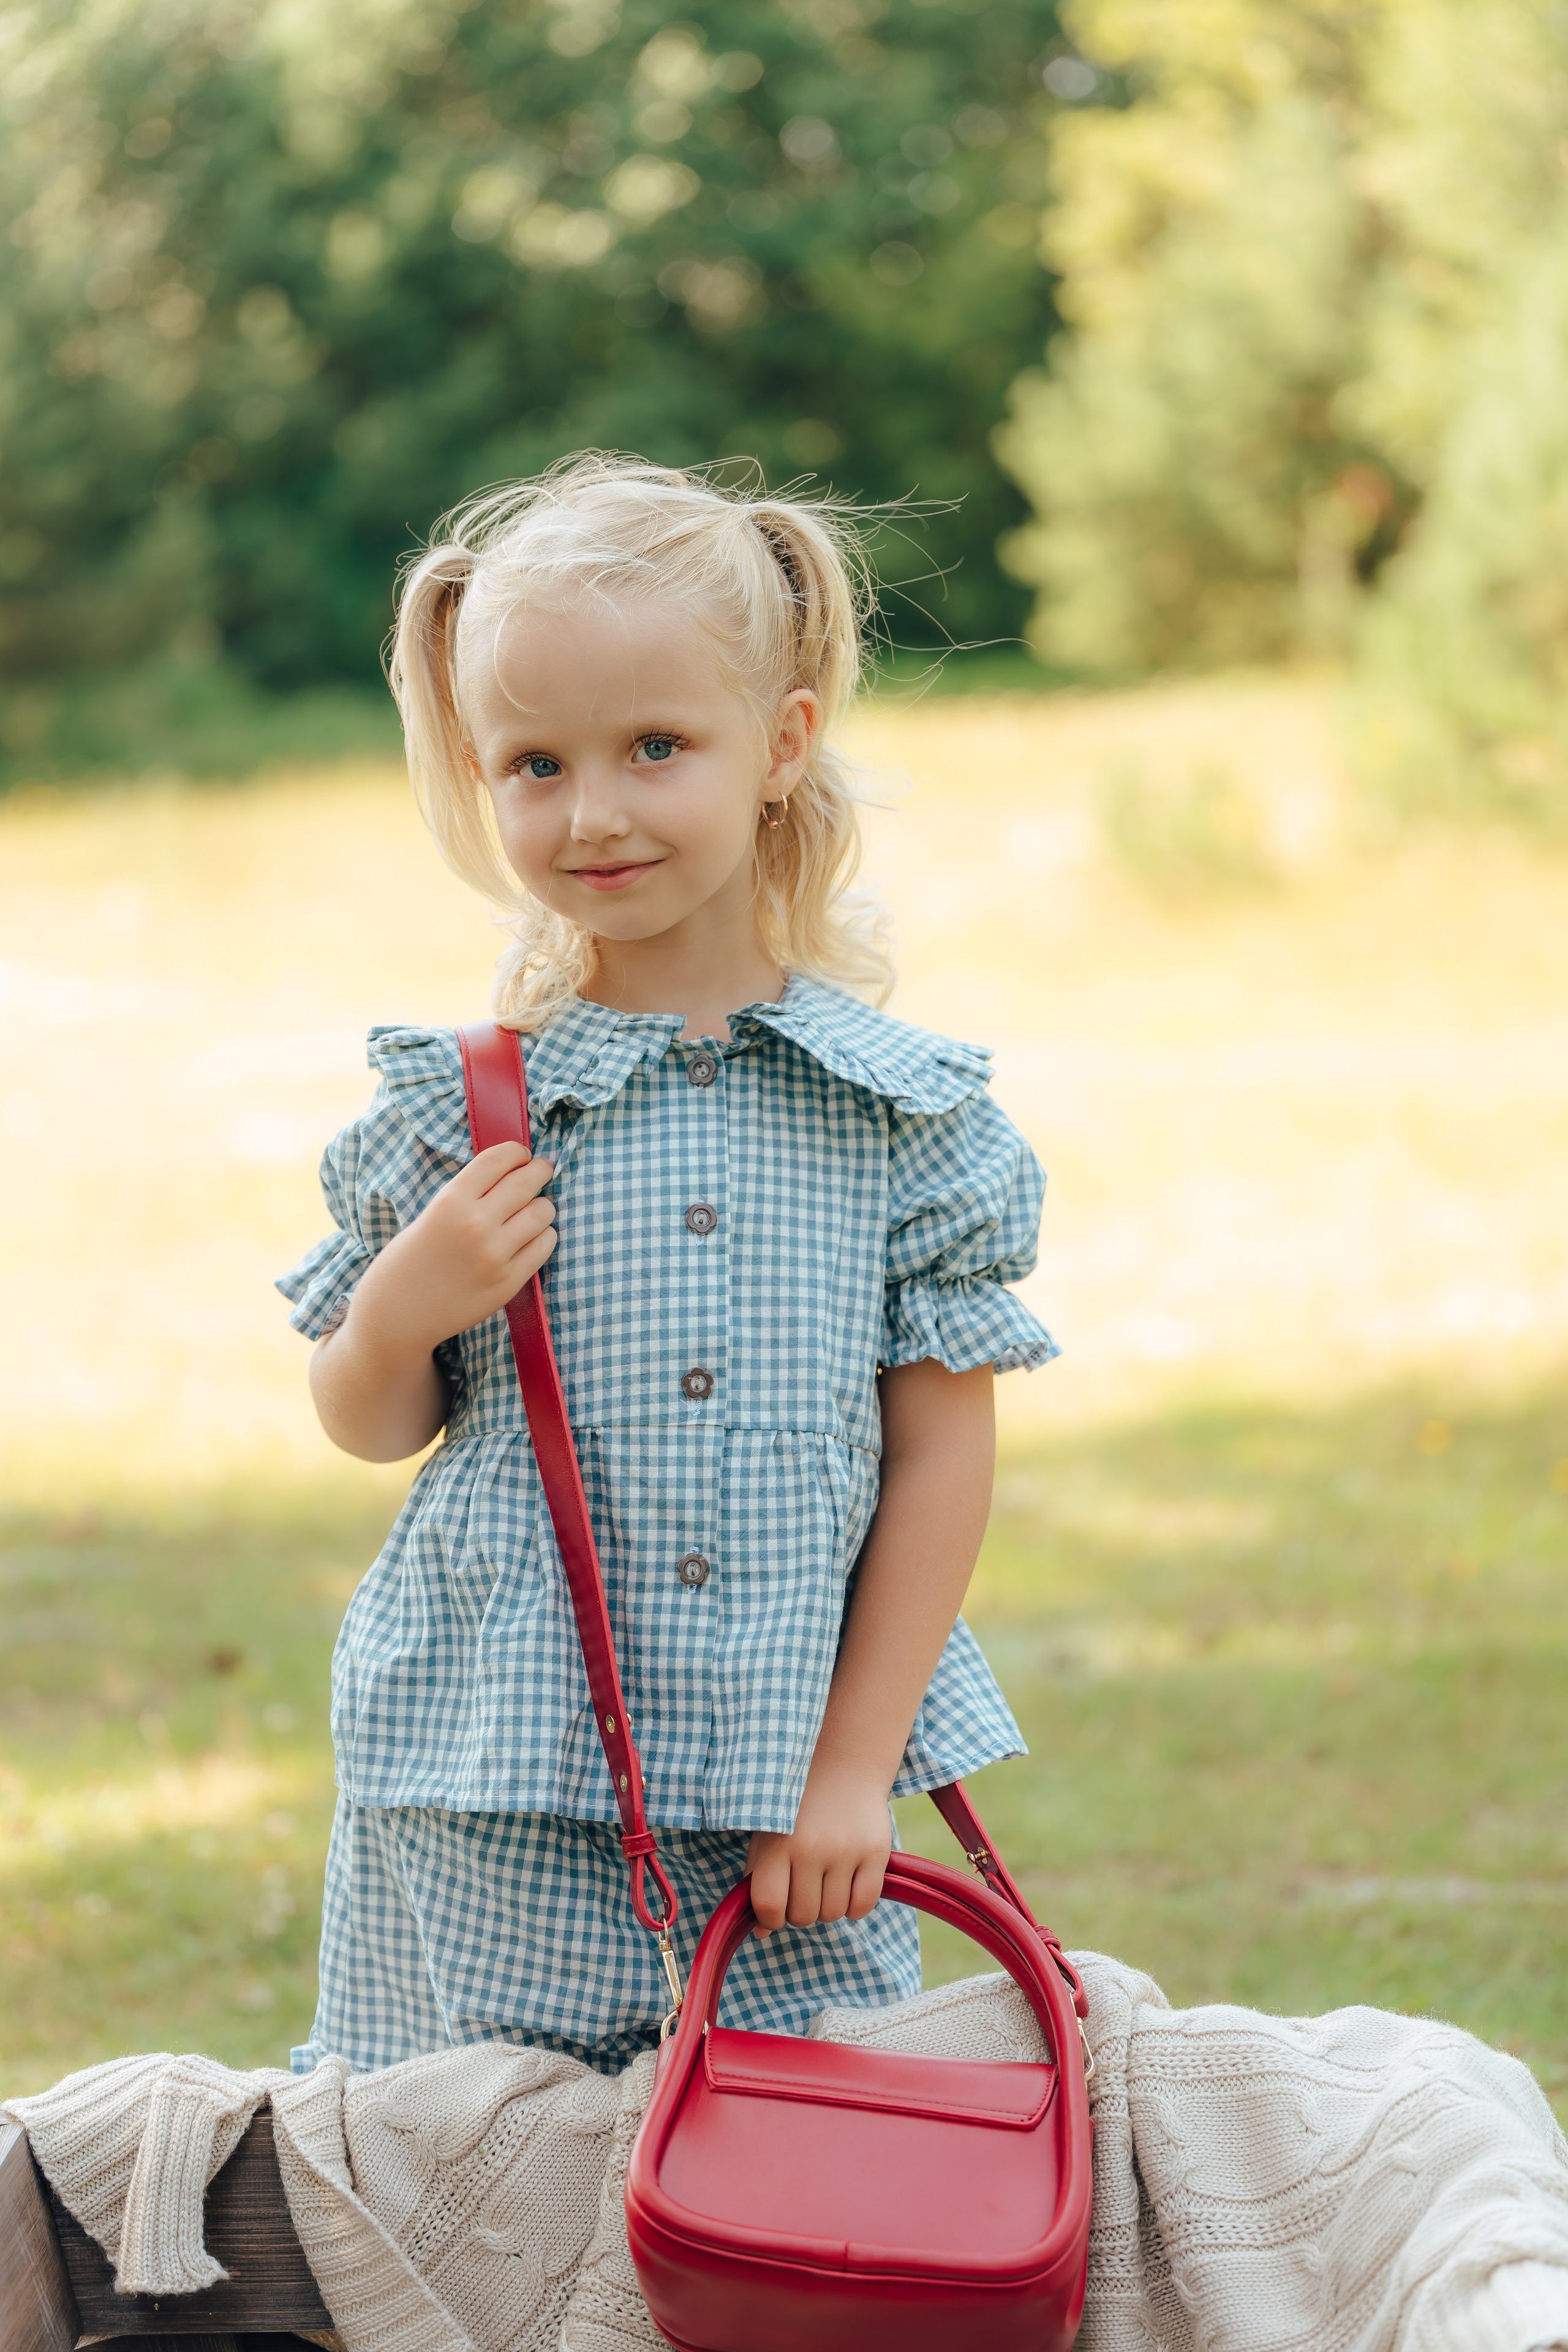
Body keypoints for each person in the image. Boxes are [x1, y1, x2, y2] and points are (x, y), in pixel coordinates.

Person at [277, 453, 1058, 2074]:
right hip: (488, 1787)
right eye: (535, 765)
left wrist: (851, 1774)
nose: (596, 811)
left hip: (790, 1814)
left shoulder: (898, 1117)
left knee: (797, 2192)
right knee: (471, 2191)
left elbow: (938, 1457)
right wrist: (405, 1303)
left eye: (655, 747)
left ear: (778, 746)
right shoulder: (468, 1108)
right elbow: (365, 1419)